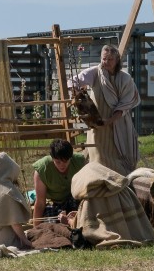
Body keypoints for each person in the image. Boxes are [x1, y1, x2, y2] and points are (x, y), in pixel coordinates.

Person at [69, 45, 141, 176]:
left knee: (121, 155)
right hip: (98, 123)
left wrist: (111, 120)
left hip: (119, 123)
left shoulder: (125, 79)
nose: (106, 62)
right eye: (104, 59)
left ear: (117, 60)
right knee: (99, 156)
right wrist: (78, 89)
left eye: (110, 59)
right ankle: (100, 183)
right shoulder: (95, 73)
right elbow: (73, 81)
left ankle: (123, 182)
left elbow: (126, 103)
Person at [32, 139, 86, 227]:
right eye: (58, 162)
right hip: (53, 203)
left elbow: (86, 191)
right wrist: (35, 229)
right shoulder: (42, 169)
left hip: (73, 198)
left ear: (70, 158)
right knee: (50, 227)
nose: (62, 165)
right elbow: (40, 202)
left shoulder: (79, 162)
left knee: (82, 221)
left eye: (66, 161)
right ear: (52, 158)